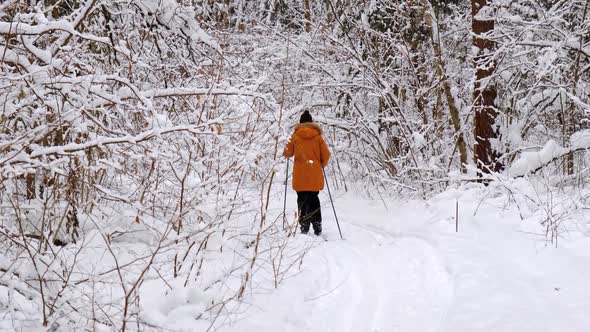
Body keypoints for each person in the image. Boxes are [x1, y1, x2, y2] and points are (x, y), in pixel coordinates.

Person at [283, 110, 331, 236]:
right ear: (311, 122)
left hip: (300, 175)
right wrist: (321, 163)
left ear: (301, 123)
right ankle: (317, 225)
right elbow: (326, 155)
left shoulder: (295, 136)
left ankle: (304, 226)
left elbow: (287, 153)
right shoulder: (318, 137)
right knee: (314, 199)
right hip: (314, 174)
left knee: (302, 199)